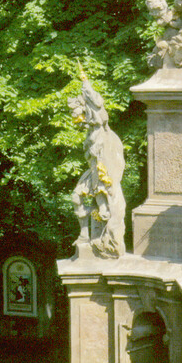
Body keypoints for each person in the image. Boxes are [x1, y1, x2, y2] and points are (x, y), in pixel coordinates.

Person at [69, 79, 126, 258]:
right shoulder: (90, 132)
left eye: (77, 115)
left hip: (103, 174)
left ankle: (105, 239)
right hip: (94, 171)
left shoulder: (101, 129)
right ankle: (84, 234)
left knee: (104, 209)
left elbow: (97, 105)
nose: (76, 120)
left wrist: (87, 86)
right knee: (76, 197)